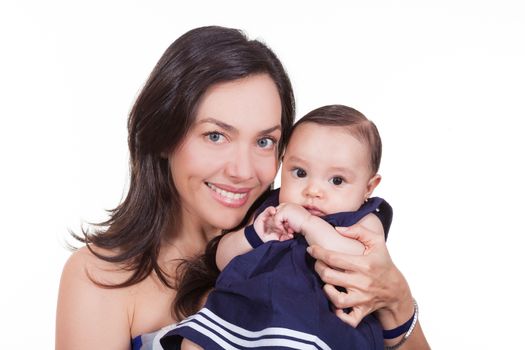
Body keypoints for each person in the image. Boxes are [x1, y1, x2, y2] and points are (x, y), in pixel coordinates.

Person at [55, 26, 429, 350]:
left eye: (264, 141)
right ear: (164, 135)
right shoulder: (102, 279)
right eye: (215, 135)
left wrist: (397, 302)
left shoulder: (318, 249)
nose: (242, 170)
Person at [162, 105, 390, 349]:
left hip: (318, 328)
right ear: (283, 164)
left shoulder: (364, 219)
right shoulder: (273, 209)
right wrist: (254, 235)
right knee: (193, 342)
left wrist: (308, 224)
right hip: (250, 315)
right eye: (300, 172)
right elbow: (223, 260)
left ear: (369, 187)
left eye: (337, 180)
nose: (313, 190)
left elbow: (365, 262)